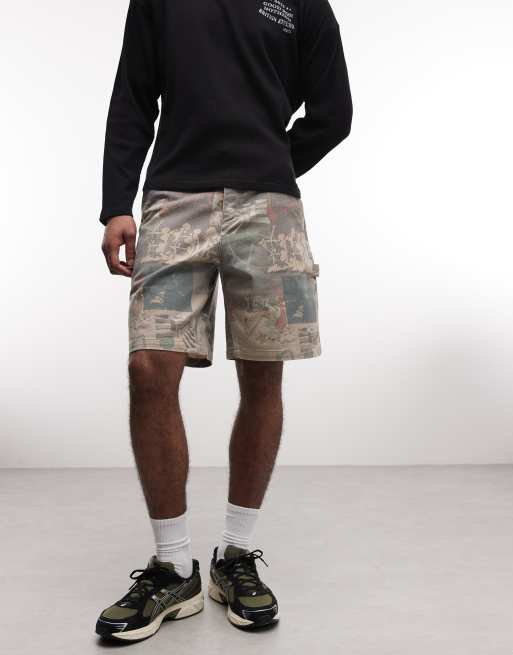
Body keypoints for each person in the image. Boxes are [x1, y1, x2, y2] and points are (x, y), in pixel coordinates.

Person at [96, 0, 352, 640]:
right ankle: (172, 567)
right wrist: (115, 203)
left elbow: (334, 113)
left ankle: (235, 556)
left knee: (263, 374)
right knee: (149, 367)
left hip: (270, 210)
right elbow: (133, 96)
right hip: (172, 201)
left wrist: (272, 159)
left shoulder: (304, 4)